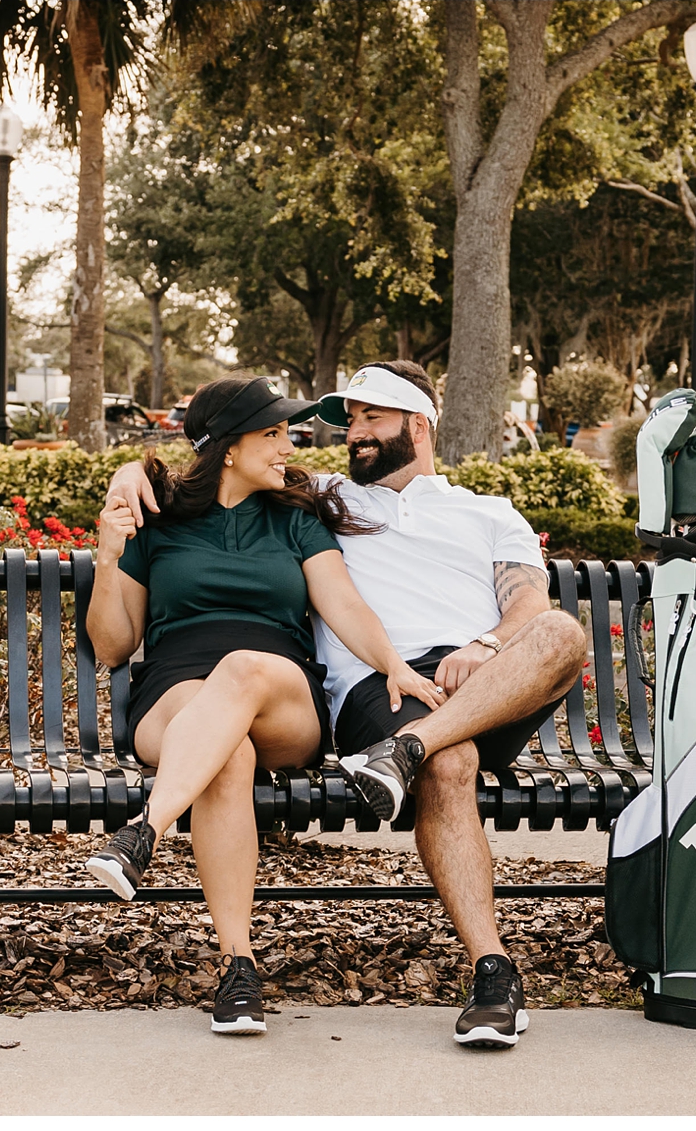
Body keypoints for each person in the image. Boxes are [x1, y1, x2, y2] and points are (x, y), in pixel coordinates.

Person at [107, 361, 586, 1048]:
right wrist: (128, 476)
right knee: (449, 770)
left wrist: (486, 644)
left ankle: (410, 749)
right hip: (384, 689)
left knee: (562, 632)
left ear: (417, 425)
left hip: (483, 678)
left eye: (372, 419)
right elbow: (205, 465)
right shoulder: (324, 496)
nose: (352, 433)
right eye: (350, 419)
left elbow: (529, 606)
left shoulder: (489, 513)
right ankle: (493, 970)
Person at [85, 372, 441, 1037]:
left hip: (279, 691)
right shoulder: (158, 520)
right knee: (226, 754)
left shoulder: (296, 518)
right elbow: (112, 646)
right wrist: (109, 557)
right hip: (176, 690)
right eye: (272, 433)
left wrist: (393, 665)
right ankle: (238, 967)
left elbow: (344, 606)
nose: (289, 445)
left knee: (242, 672)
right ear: (227, 447)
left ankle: (144, 832)